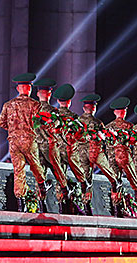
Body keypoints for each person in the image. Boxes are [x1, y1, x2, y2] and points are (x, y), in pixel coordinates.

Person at [0, 72, 50, 212]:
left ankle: (21, 204)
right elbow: (42, 123)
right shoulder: (35, 105)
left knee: (18, 171)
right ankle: (42, 186)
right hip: (29, 140)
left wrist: (14, 130)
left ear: (18, 89)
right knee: (35, 165)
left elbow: (1, 123)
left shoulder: (8, 105)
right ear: (30, 88)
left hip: (13, 142)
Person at [33, 78, 70, 213]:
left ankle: (41, 205)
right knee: (60, 175)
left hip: (37, 148)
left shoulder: (32, 110)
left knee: (40, 177)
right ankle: (62, 205)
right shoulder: (55, 112)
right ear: (50, 94)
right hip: (51, 148)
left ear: (37, 94)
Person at [53, 84, 90, 215]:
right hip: (71, 150)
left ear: (58, 101)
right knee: (82, 177)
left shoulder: (53, 116)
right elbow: (81, 137)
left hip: (57, 151)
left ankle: (62, 207)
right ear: (69, 101)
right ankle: (85, 205)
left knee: (60, 178)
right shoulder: (75, 118)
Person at [79, 94, 119, 215]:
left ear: (84, 108)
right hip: (95, 152)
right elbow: (105, 139)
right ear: (93, 108)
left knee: (86, 180)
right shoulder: (98, 123)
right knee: (113, 176)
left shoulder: (78, 121)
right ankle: (116, 200)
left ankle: (86, 207)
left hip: (82, 152)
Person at [105, 97, 137, 217]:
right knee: (133, 177)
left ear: (115, 112)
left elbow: (105, 143)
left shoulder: (108, 126)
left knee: (115, 181)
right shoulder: (129, 126)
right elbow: (134, 142)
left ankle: (116, 209)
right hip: (124, 155)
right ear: (124, 112)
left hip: (111, 157)